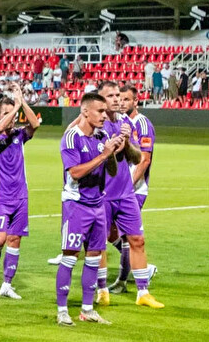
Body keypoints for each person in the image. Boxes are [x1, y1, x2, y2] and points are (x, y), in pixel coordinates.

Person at [94, 81, 164, 309]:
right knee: (99, 242)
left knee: (137, 240)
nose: (117, 99)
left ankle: (143, 292)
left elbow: (136, 157)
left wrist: (126, 142)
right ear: (100, 100)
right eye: (111, 96)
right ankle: (102, 290)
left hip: (126, 193)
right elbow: (103, 164)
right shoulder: (95, 125)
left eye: (119, 95)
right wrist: (110, 149)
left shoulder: (125, 123)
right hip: (103, 193)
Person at [55, 93, 120, 326]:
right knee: (70, 256)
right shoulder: (71, 137)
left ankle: (87, 309)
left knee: (94, 257)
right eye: (100, 111)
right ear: (85, 111)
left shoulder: (103, 136)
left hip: (98, 205)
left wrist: (111, 154)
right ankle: (62, 310)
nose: (105, 116)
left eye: (105, 111)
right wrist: (103, 155)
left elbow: (112, 171)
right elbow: (74, 173)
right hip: (76, 205)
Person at [0, 83, 40, 300]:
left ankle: (7, 284)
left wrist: (21, 102)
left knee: (14, 240)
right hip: (0, 198)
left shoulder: (19, 136)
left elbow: (35, 124)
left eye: (12, 113)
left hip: (20, 197)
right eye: (5, 113)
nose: (11, 117)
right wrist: (14, 108)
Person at [110, 85, 157, 293]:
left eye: (126, 99)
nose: (122, 103)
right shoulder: (118, 122)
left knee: (128, 236)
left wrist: (127, 187)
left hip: (134, 189)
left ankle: (123, 280)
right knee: (109, 231)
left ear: (135, 102)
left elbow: (144, 160)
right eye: (119, 99)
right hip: (119, 189)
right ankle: (141, 268)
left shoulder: (142, 123)